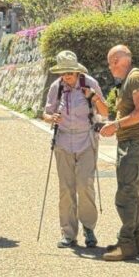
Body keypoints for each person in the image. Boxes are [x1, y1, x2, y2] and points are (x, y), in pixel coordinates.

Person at [42, 51, 109, 249]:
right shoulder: (57, 87)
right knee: (66, 188)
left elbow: (105, 112)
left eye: (70, 72)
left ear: (77, 70)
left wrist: (94, 97)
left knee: (84, 185)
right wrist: (51, 118)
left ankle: (89, 229)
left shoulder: (90, 83)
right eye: (63, 73)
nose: (67, 76)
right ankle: (68, 233)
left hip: (86, 140)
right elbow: (45, 113)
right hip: (63, 142)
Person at [98, 44, 139, 261]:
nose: (110, 68)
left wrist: (116, 126)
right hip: (129, 141)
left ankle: (126, 243)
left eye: (112, 62)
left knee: (125, 194)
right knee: (131, 193)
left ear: (120, 60)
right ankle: (134, 241)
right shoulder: (130, 79)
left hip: (133, 142)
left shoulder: (135, 78)